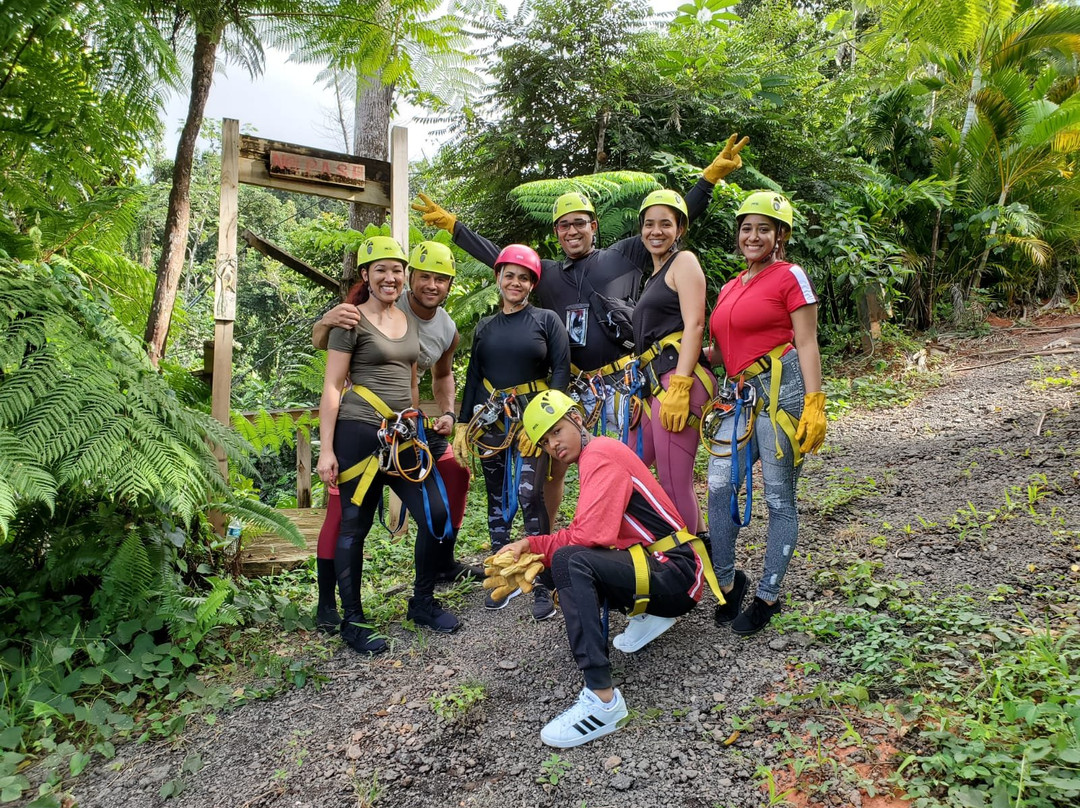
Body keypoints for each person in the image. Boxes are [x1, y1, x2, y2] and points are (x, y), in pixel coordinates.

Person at [413, 134, 749, 522]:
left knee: (628, 463)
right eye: (563, 226)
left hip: (628, 384)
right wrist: (456, 229)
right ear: (556, 233)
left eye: (578, 224)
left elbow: (669, 222)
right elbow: (502, 258)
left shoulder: (623, 255)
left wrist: (708, 179)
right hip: (578, 388)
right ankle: (553, 538)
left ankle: (641, 538)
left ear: (593, 226)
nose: (571, 232)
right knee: (557, 469)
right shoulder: (549, 274)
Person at [493, 390, 720, 748]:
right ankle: (651, 615)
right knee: (565, 560)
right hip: (672, 572)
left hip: (676, 575)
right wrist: (533, 549)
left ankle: (603, 701)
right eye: (545, 441)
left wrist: (535, 548)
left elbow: (590, 536)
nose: (553, 444)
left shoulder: (600, 455)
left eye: (556, 431)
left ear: (578, 419)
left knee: (570, 560)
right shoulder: (596, 453)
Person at [310, 241, 477, 633]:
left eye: (396, 270)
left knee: (436, 513)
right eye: (381, 269)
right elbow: (332, 383)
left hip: (404, 432)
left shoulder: (422, 323)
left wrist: (443, 415)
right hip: (360, 430)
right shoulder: (352, 318)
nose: (391, 277)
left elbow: (427, 375)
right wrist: (327, 450)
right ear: (366, 275)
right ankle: (345, 616)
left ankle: (422, 601)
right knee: (351, 523)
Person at [706, 192, 826, 636]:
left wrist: (815, 400)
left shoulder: (789, 275)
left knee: (779, 497)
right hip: (736, 395)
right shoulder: (730, 286)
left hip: (781, 389)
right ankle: (728, 580)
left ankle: (768, 594)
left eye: (763, 228)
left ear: (780, 235)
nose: (752, 236)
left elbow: (807, 340)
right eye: (746, 228)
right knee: (719, 487)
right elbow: (724, 351)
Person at [453, 244, 570, 619]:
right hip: (492, 419)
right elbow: (473, 377)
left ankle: (541, 579)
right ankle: (503, 572)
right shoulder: (486, 327)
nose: (515, 282)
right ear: (498, 278)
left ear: (532, 284)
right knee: (497, 501)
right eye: (510, 275)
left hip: (533, 417)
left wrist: (548, 423)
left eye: (523, 277)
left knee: (529, 493)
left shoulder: (546, 320)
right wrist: (460, 424)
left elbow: (561, 371)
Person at [628, 189, 716, 533]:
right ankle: (682, 544)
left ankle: (689, 568)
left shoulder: (684, 262)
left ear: (680, 229)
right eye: (649, 224)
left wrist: (680, 384)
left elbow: (694, 323)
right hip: (654, 382)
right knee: (631, 465)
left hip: (679, 380)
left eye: (666, 224)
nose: (656, 231)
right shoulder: (651, 277)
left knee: (673, 480)